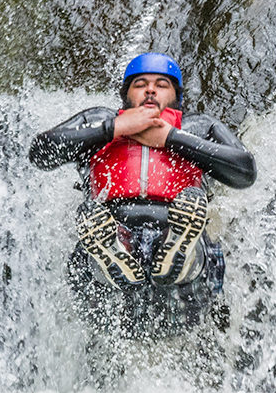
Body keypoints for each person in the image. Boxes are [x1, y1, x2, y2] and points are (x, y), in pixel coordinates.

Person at [29, 53, 256, 335]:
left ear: (176, 97)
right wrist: (113, 129)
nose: (150, 89)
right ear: (125, 96)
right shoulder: (99, 119)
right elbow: (40, 152)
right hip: (112, 268)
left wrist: (170, 138)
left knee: (193, 238)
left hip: (182, 292)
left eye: (161, 84)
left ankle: (179, 256)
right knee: (98, 236)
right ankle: (113, 254)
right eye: (140, 84)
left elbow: (245, 171)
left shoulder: (199, 127)